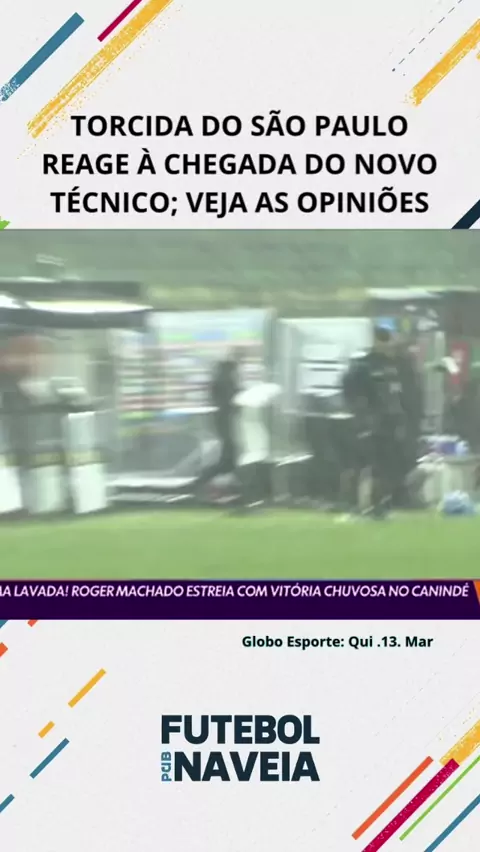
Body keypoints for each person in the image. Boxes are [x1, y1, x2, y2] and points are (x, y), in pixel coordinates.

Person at [342, 326, 407, 518]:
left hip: (388, 423)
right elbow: (350, 390)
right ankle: (356, 505)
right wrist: (361, 415)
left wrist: (399, 419)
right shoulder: (363, 365)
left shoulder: (391, 365)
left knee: (384, 466)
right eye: (384, 340)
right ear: (376, 341)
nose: (388, 345)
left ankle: (379, 505)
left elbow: (395, 395)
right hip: (369, 422)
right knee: (364, 465)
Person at [194, 348, 245, 505]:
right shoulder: (226, 381)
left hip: (224, 422)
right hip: (228, 422)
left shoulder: (220, 379)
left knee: (229, 458)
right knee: (229, 459)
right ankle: (203, 481)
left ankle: (207, 482)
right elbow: (232, 400)